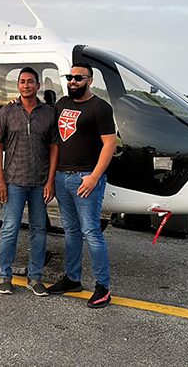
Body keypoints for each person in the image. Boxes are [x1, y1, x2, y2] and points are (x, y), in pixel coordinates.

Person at [46, 63, 117, 308]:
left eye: (78, 78)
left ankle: (103, 287)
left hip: (86, 178)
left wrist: (94, 177)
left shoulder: (100, 108)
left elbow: (110, 144)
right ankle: (72, 278)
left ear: (90, 80)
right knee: (71, 231)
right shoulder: (61, 105)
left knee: (91, 232)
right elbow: (53, 136)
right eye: (70, 77)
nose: (73, 81)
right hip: (62, 177)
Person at [0, 67, 59, 296]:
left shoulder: (48, 113)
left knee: (39, 230)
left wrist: (51, 181)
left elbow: (54, 147)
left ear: (38, 86)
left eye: (31, 82)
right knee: (10, 229)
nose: (26, 85)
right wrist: (0, 179)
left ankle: (35, 277)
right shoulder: (7, 112)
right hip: (14, 181)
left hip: (40, 182)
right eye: (22, 82)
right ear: (18, 86)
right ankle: (4, 275)